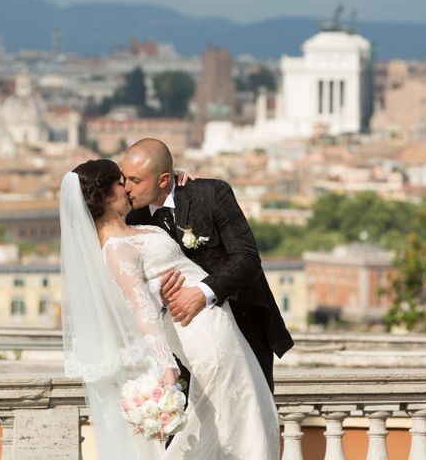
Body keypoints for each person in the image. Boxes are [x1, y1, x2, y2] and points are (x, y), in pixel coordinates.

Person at [60, 159, 279, 460]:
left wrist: (171, 182)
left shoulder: (133, 225)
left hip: (214, 326)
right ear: (108, 195)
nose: (128, 187)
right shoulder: (116, 249)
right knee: (236, 423)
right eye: (122, 181)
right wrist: (165, 366)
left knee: (240, 417)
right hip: (200, 331)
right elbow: (141, 311)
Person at [122, 138, 294, 393]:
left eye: (135, 181)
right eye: (124, 179)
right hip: (182, 339)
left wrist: (202, 293)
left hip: (242, 326)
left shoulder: (211, 194)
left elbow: (247, 258)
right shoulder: (131, 218)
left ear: (163, 180)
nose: (127, 188)